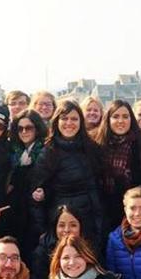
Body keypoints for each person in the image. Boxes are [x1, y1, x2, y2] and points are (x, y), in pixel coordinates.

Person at [31, 100, 104, 249]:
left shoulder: (92, 148)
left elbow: (98, 186)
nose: (69, 123)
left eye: (74, 119)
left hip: (90, 220)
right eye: (64, 118)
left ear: (81, 122)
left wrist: (100, 223)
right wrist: (43, 232)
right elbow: (36, 196)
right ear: (57, 122)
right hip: (61, 221)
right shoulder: (48, 152)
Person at [95, 100, 141, 231]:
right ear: (108, 120)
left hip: (133, 210)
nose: (120, 121)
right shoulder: (98, 145)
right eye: (115, 116)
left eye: (125, 117)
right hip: (103, 208)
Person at [7, 109, 46, 253]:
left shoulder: (45, 151)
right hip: (17, 210)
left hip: (36, 212)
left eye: (29, 128)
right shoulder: (15, 152)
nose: (24, 132)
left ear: (37, 129)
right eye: (20, 128)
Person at [31, 204, 86, 279]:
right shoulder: (42, 252)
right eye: (61, 225)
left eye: (73, 225)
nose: (67, 230)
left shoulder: (90, 248)